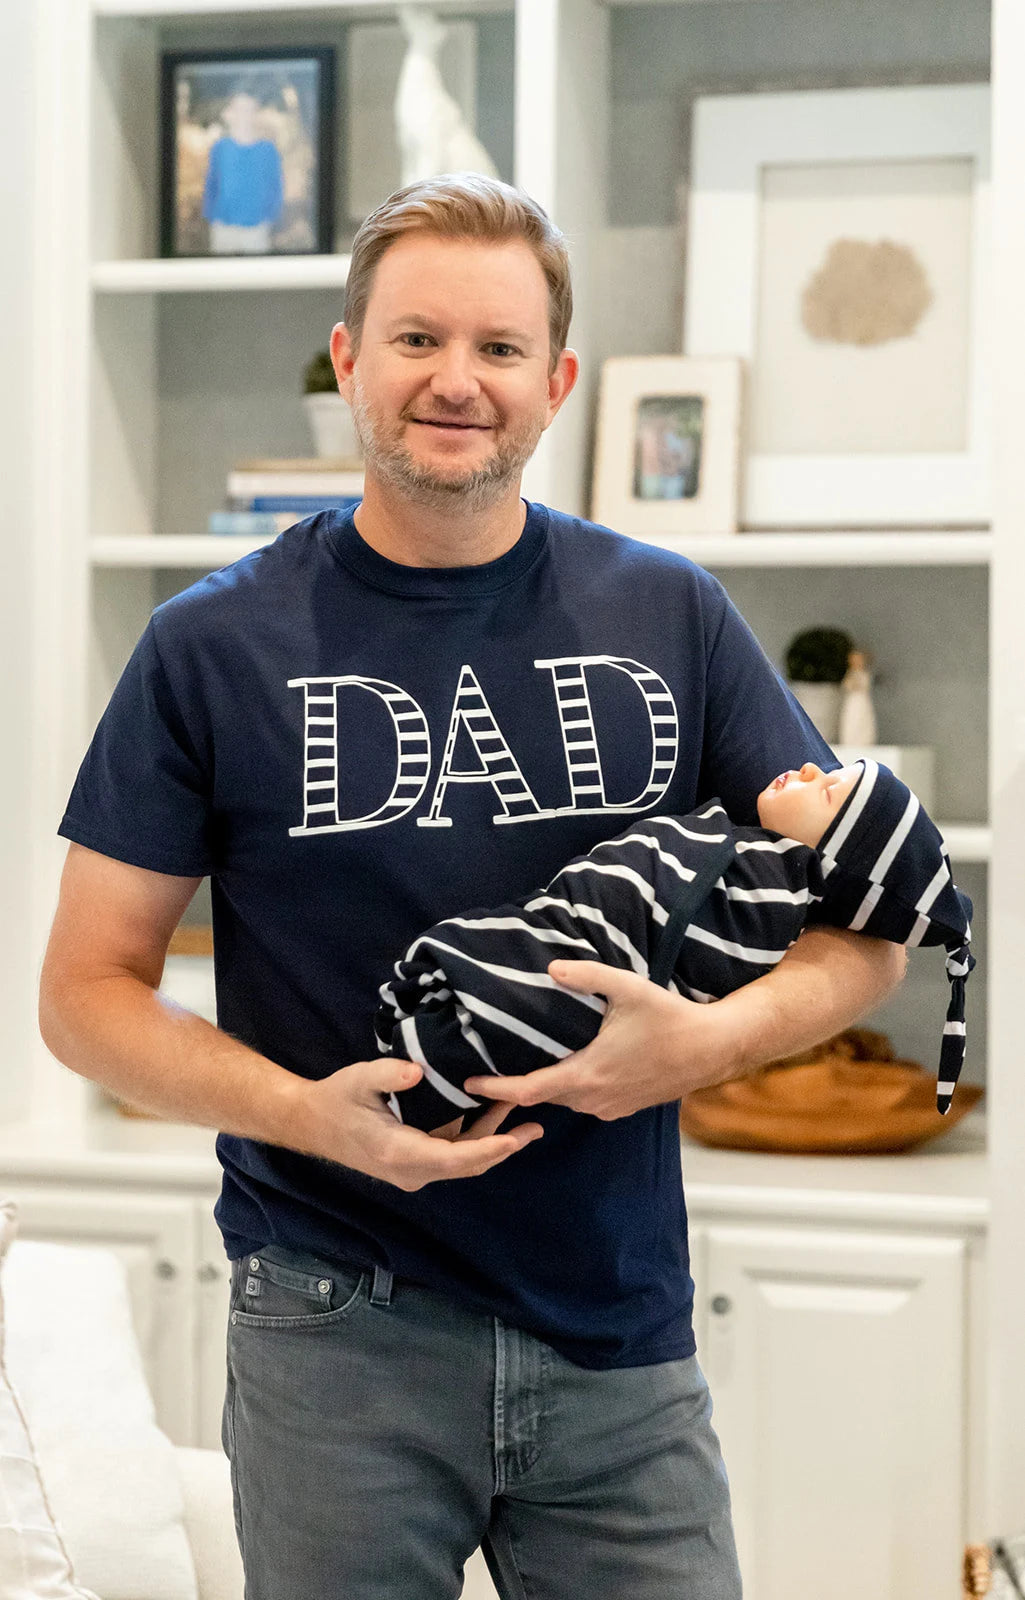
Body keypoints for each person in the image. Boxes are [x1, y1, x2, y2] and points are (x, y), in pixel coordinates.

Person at [38, 175, 905, 1600]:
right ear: (347, 360)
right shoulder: (210, 646)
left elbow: (866, 930)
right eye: (416, 339)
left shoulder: (669, 609)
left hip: (618, 1326)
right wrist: (305, 1119)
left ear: (557, 382)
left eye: (500, 349)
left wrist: (701, 1045)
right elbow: (83, 996)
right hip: (335, 1320)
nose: (457, 381)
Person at [377, 758, 974, 1135]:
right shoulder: (744, 852)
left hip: (582, 973)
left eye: (830, 793)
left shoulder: (765, 897)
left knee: (499, 1008)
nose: (811, 770)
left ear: (838, 860)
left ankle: (429, 1074)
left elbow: (671, 936)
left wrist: (716, 1038)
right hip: (557, 926)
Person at [202, 89, 284, 255]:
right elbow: (212, 184)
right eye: (239, 110)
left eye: (248, 110)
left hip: (256, 230)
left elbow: (276, 187)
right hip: (223, 228)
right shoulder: (220, 148)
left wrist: (268, 219)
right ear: (229, 114)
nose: (243, 116)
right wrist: (212, 217)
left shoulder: (268, 150)